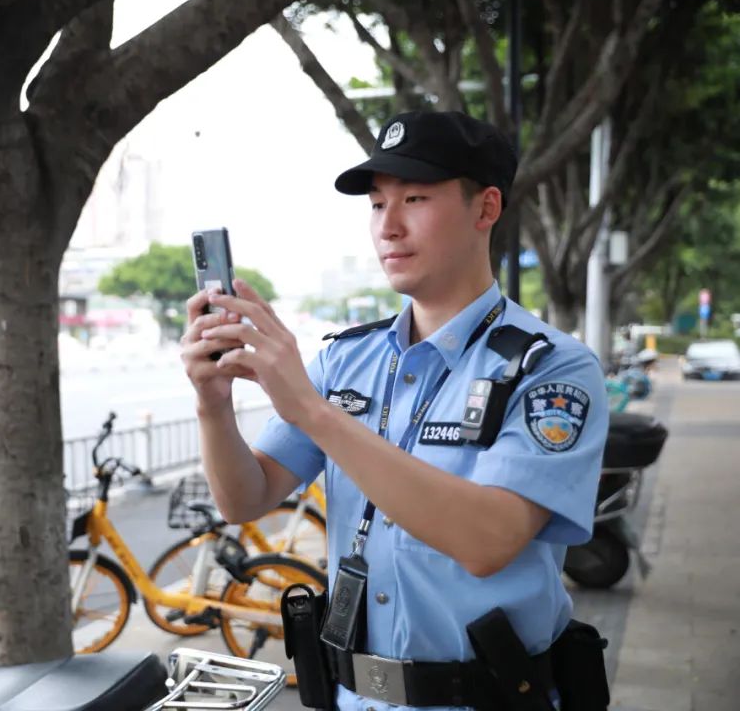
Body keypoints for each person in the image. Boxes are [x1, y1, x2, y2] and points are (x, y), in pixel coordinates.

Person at [180, 110, 608, 710]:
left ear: (486, 209)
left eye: (414, 198)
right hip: (353, 696)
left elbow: (489, 541)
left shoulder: (551, 368)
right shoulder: (346, 359)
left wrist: (310, 409)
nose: (390, 226)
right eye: (377, 205)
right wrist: (212, 405)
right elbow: (244, 497)